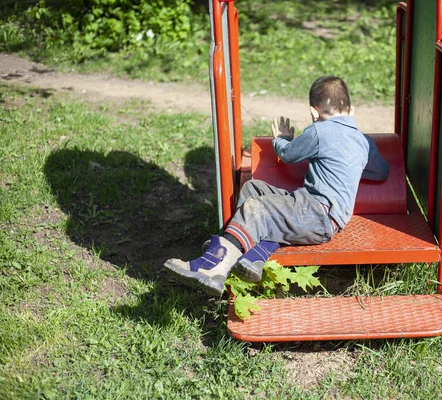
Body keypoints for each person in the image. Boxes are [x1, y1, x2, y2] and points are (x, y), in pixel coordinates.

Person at [164, 75, 390, 296]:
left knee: (257, 208)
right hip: (317, 214)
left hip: (316, 214)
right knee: (254, 189)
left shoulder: (320, 131)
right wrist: (351, 164)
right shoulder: (364, 142)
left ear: (314, 112)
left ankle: (212, 267)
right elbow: (381, 172)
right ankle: (253, 257)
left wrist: (281, 138)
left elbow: (289, 154)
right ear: (351, 110)